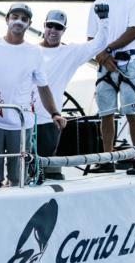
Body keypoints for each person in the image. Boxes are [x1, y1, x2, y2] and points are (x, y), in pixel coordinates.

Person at [0, 3, 67, 188]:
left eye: (24, 19)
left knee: (19, 179)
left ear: (29, 23)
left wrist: (54, 113)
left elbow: (43, 87)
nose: (19, 21)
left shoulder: (34, 52)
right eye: (15, 16)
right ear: (7, 19)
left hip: (21, 124)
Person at [87, 0, 135, 174]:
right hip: (105, 65)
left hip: (129, 63)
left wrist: (108, 51)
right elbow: (90, 39)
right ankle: (107, 159)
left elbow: (133, 30)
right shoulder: (97, 4)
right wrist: (102, 57)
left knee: (131, 112)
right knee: (106, 114)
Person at [35, 9, 109, 180]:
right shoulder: (29, 51)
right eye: (50, 25)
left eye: (58, 27)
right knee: (20, 167)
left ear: (64, 31)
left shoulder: (71, 52)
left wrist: (104, 21)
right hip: (23, 119)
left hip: (49, 120)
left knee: (48, 170)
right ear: (44, 26)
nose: (53, 30)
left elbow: (99, 43)